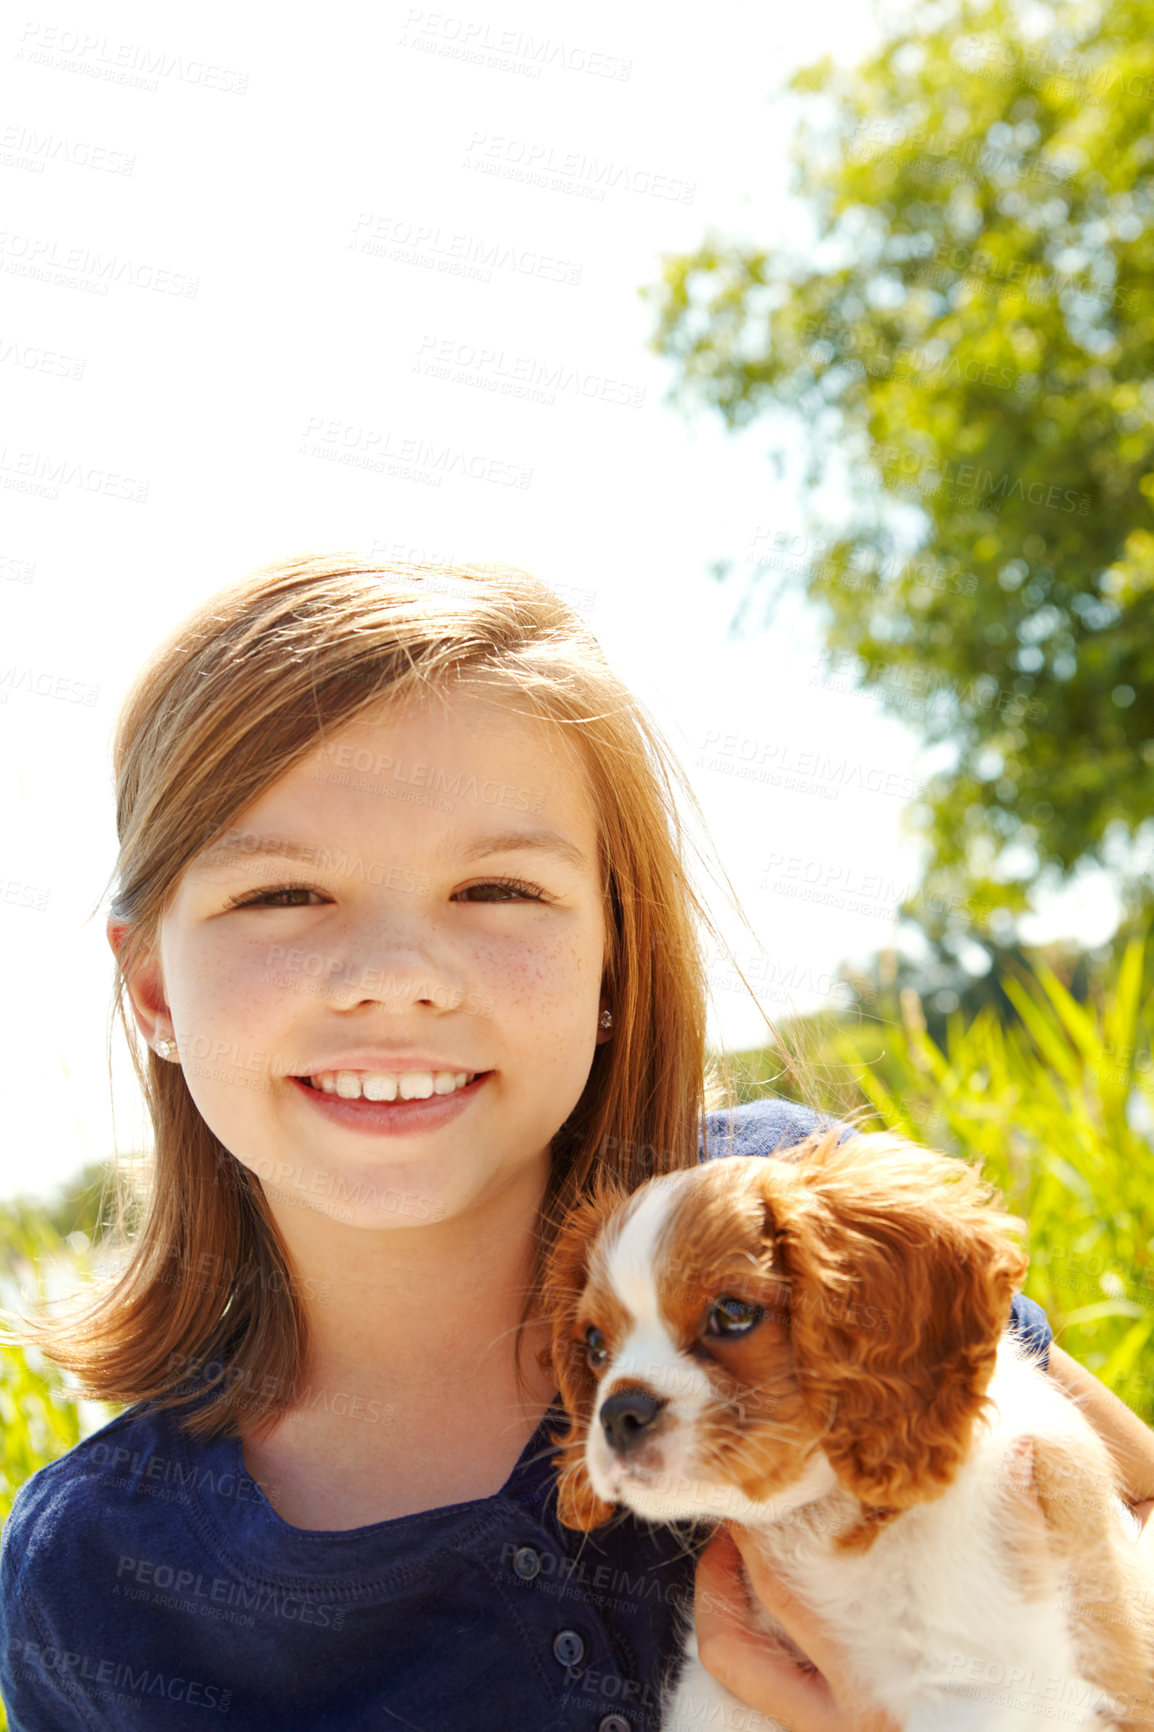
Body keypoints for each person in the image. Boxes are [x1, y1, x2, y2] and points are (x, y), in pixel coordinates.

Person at [0, 554, 1150, 1732]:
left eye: (495, 888)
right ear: (149, 987)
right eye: (281, 895)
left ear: (615, 951)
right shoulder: (94, 1579)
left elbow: (1131, 1517)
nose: (395, 976)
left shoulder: (789, 1212)